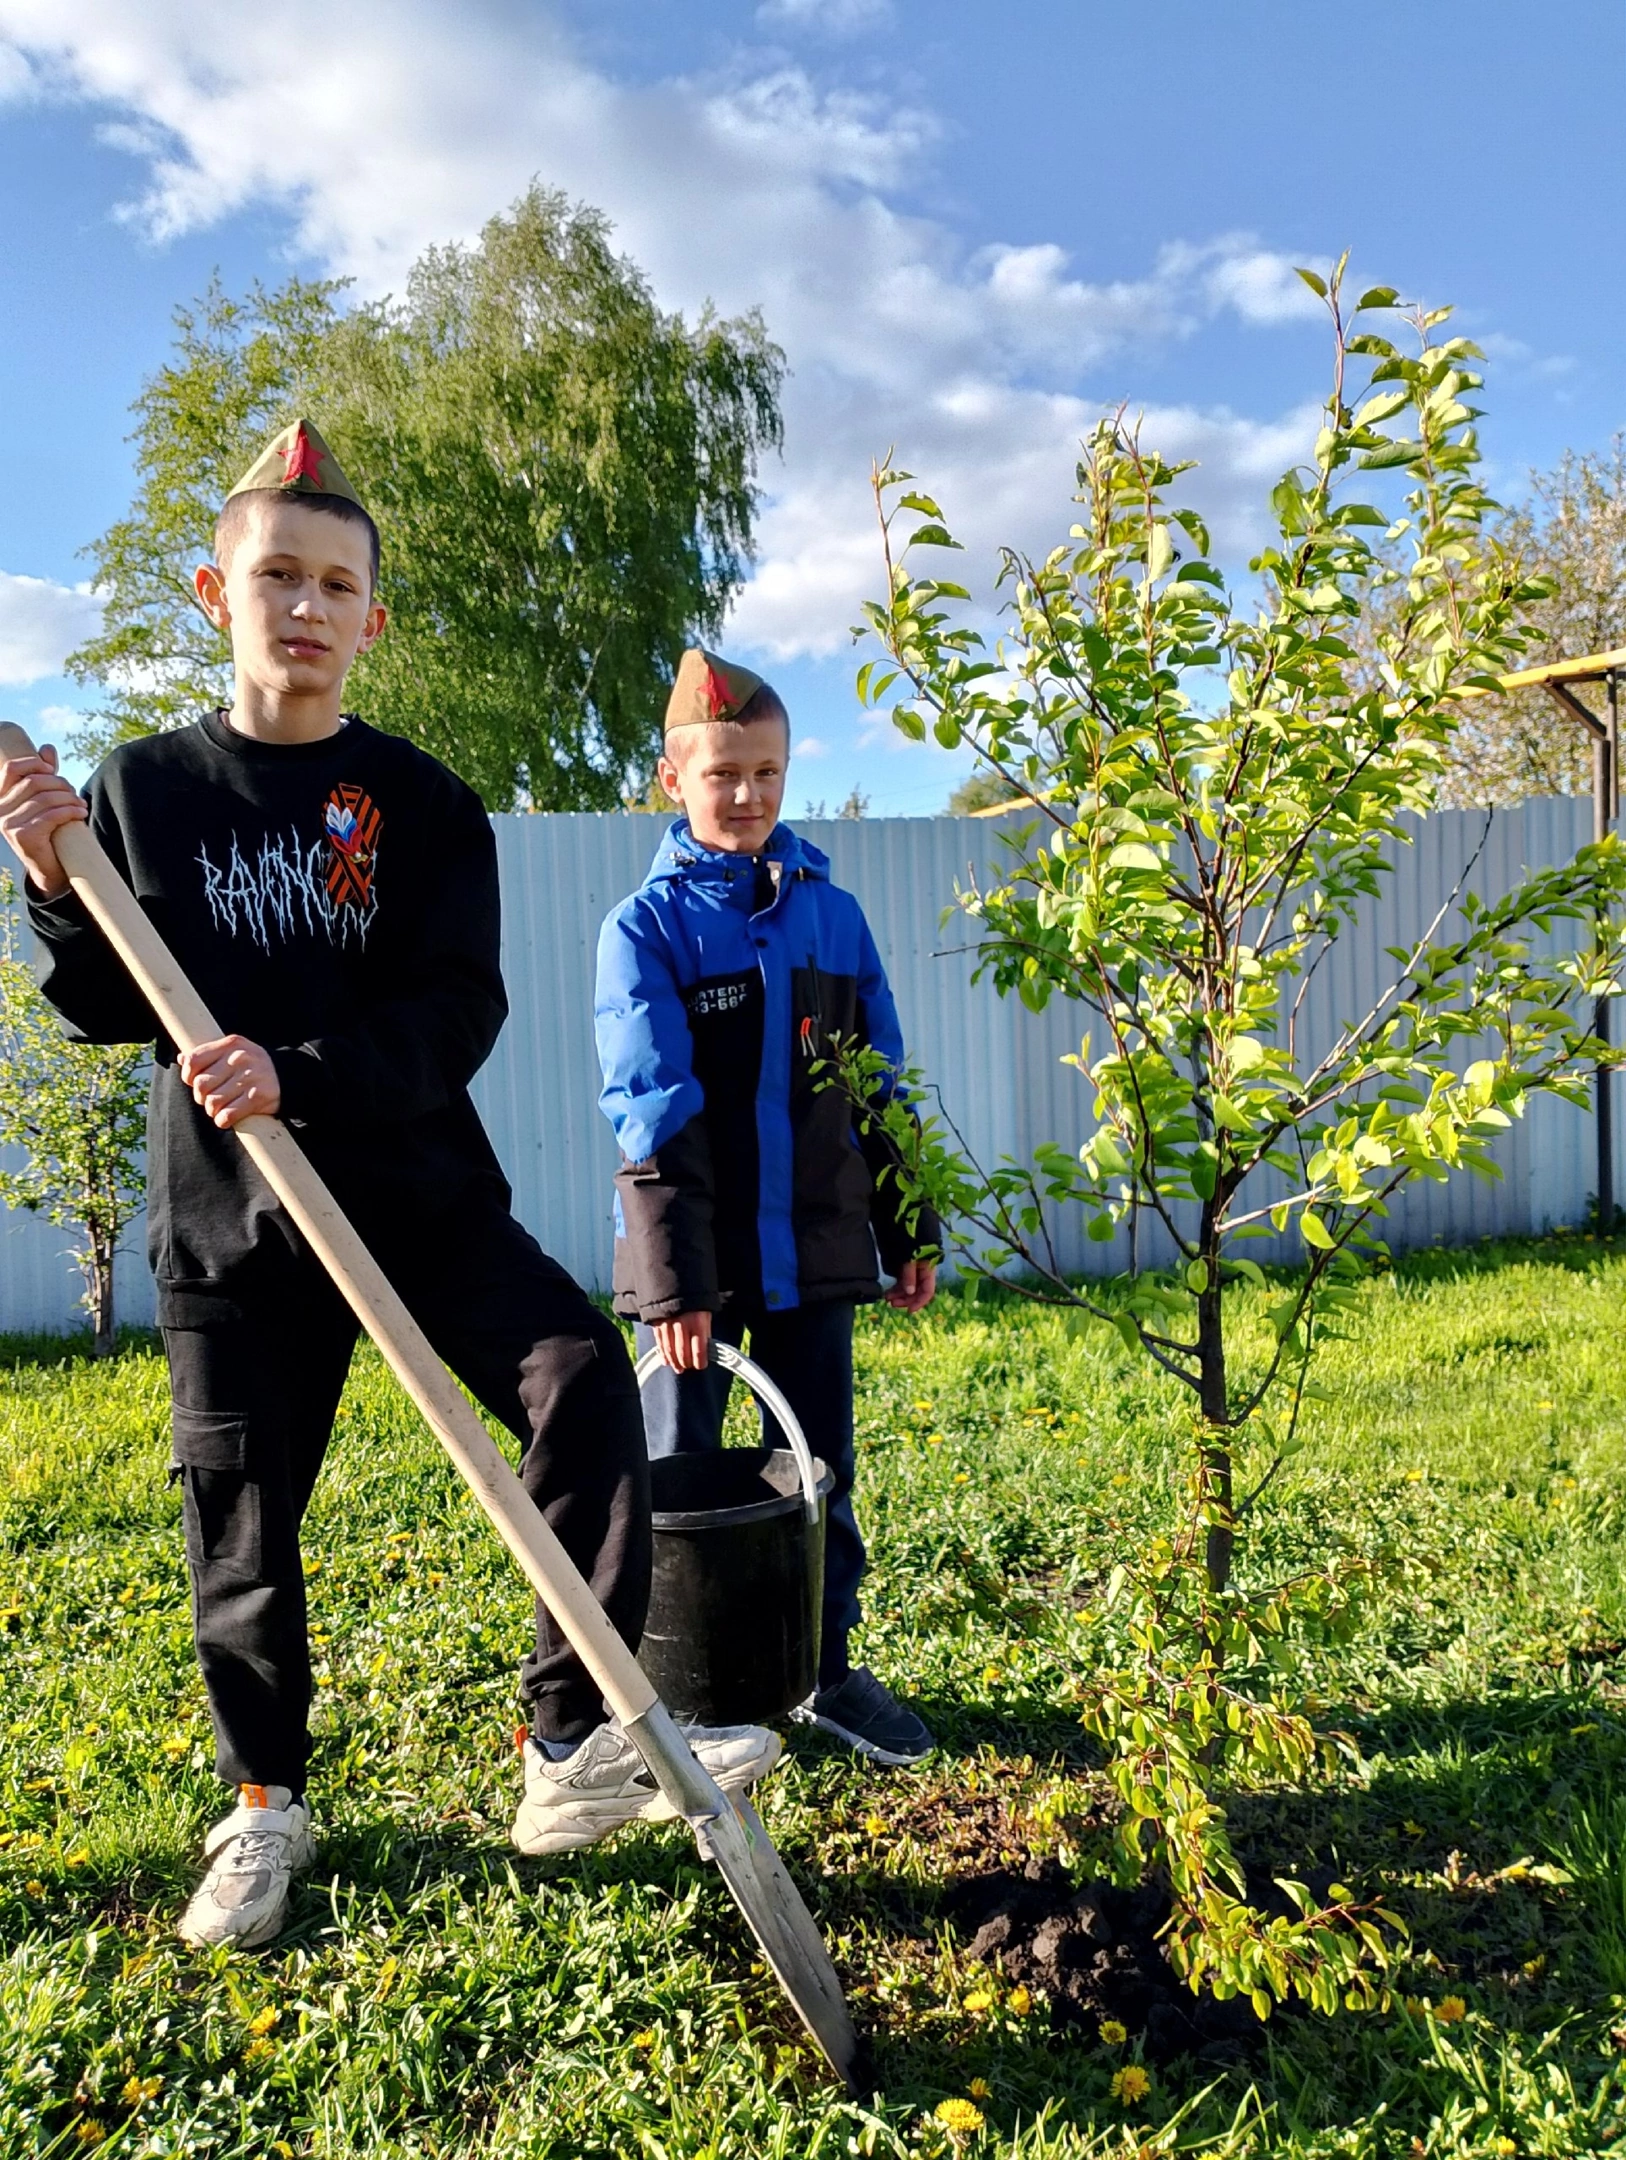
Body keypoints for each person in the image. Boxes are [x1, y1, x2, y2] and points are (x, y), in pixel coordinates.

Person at [0, 426, 778, 1952]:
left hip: (416, 1199)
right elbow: (105, 1002)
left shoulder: (421, 803)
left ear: (373, 617)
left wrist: (300, 1070)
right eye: (275, 573)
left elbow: (455, 1012)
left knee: (575, 1380)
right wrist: (47, 879)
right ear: (214, 589)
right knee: (242, 1518)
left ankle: (565, 1747)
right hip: (230, 1224)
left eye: (334, 583)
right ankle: (263, 1805)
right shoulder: (142, 791)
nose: (303, 604)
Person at [594, 647, 942, 1766]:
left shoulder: (833, 920)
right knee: (675, 1486)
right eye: (723, 774)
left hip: (817, 1260)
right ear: (672, 780)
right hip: (693, 1275)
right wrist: (678, 1286)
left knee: (818, 1473)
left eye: (767, 772)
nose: (746, 796)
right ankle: (675, 1701)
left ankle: (825, 1670)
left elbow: (881, 1080)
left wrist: (912, 1226)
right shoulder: (642, 932)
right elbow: (651, 1108)